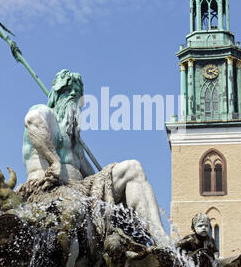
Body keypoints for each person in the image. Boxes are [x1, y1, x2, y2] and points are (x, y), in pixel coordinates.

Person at [22, 69, 170, 246]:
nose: (74, 96)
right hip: (49, 188)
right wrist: (53, 161)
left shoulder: (74, 140)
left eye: (77, 94)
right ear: (56, 93)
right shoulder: (44, 113)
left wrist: (112, 188)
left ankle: (161, 238)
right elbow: (33, 121)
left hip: (79, 189)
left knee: (133, 168)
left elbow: (93, 176)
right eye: (69, 91)